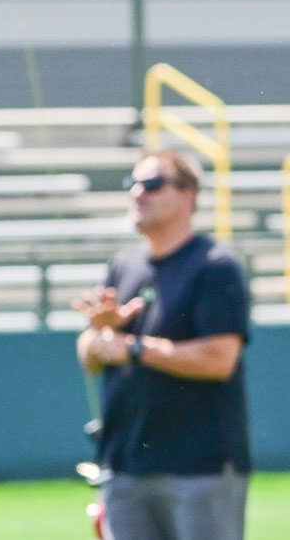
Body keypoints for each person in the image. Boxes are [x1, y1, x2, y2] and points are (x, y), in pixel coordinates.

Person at [74, 149, 251, 540]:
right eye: (132, 184)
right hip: (126, 464)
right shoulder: (124, 265)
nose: (138, 193)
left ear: (188, 196)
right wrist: (99, 337)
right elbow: (91, 354)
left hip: (198, 467)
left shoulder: (215, 265)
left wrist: (134, 348)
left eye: (153, 184)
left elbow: (220, 359)